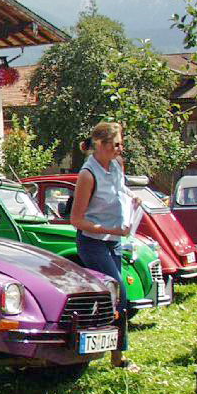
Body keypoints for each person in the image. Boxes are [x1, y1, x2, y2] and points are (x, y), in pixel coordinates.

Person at [69, 121, 140, 371]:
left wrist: (132, 197)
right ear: (100, 144)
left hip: (114, 241)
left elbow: (120, 189)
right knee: (118, 292)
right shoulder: (87, 175)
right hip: (93, 243)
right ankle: (113, 355)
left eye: (121, 144)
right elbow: (76, 220)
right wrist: (113, 230)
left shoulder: (117, 164)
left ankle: (112, 353)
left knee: (110, 298)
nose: (121, 149)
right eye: (116, 144)